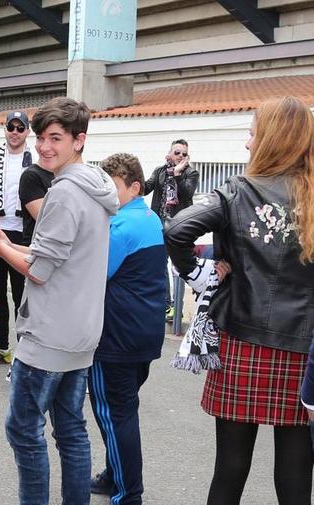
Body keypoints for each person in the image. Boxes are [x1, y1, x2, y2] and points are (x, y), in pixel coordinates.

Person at [165, 96, 314, 505]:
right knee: (297, 478)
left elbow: (177, 229)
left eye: (252, 133)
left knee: (230, 470)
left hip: (241, 343)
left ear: (269, 138)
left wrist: (199, 275)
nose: (248, 143)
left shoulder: (237, 192)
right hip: (303, 350)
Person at [0, 97, 119, 505]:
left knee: (24, 430)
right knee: (70, 429)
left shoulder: (65, 192)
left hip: (49, 335)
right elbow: (54, 257)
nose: (45, 147)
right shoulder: (97, 186)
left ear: (78, 140)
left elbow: (40, 269)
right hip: (83, 331)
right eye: (41, 138)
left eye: (55, 138)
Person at [87, 153, 166, 504]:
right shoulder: (149, 218)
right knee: (122, 411)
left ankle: (128, 492)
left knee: (114, 414)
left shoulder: (119, 227)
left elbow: (91, 273)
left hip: (116, 338)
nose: (106, 194)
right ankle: (114, 476)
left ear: (134, 187)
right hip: (144, 334)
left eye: (112, 186)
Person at [0, 109, 34, 363]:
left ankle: (24, 349)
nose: (15, 132)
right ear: (5, 129)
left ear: (27, 131)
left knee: (21, 294)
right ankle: (2, 345)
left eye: (20, 128)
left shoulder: (37, 161)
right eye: (11, 127)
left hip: (23, 234)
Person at [143, 139, 198, 322]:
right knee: (160, 265)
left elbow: (187, 193)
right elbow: (146, 187)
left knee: (179, 267)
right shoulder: (160, 171)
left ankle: (177, 307)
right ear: (169, 153)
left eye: (184, 153)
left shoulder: (191, 173)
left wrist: (177, 174)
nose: (181, 156)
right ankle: (166, 305)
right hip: (159, 224)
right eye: (177, 152)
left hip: (179, 227)